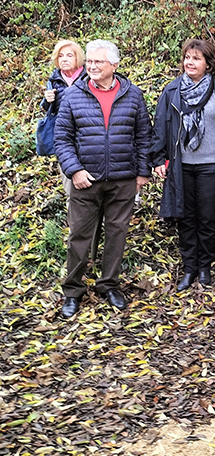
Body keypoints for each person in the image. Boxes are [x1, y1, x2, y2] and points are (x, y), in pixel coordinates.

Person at [54, 40, 152, 318]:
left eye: (99, 62)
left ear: (114, 66)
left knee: (117, 235)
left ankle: (109, 285)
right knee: (79, 237)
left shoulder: (133, 95)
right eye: (90, 62)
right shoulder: (74, 95)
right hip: (86, 179)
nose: (92, 67)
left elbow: (144, 135)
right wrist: (74, 170)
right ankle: (72, 291)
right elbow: (62, 138)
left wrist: (142, 172)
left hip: (122, 179)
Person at [150, 39, 215, 291]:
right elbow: (161, 126)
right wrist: (158, 158)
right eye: (187, 57)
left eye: (196, 58)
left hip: (212, 164)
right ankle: (189, 268)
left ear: (209, 64)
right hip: (182, 165)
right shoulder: (172, 91)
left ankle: (205, 267)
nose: (190, 62)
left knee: (207, 217)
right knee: (185, 217)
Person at [41, 40, 88, 193]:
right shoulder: (54, 79)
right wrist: (48, 101)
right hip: (64, 139)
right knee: (70, 187)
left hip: (88, 136)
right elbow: (46, 109)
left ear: (78, 58)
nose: (64, 59)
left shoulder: (89, 77)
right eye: (61, 56)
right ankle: (72, 216)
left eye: (69, 55)